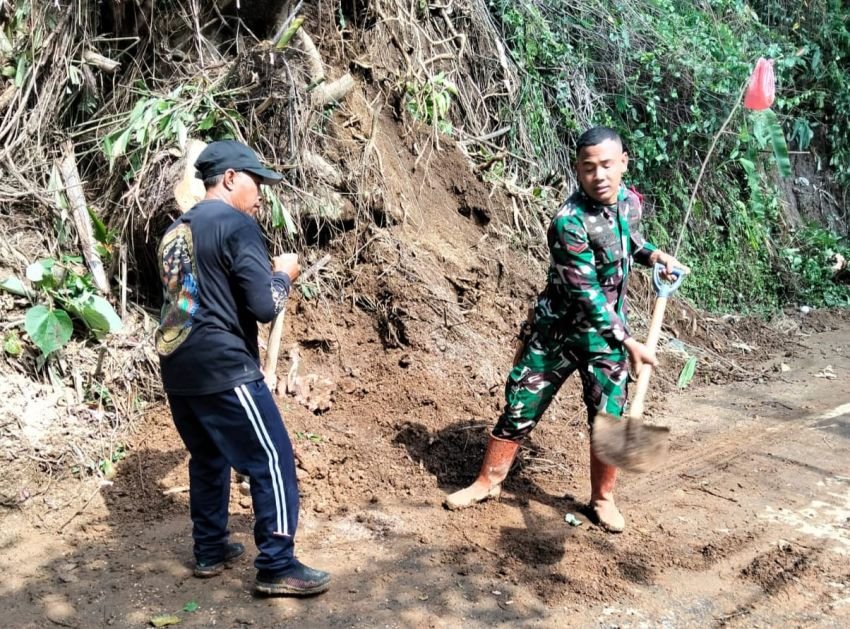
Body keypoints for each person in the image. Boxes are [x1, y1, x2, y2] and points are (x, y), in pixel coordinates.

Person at [444, 126, 689, 532]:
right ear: (577, 170)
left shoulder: (628, 203)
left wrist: (655, 256)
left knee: (608, 419)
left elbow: (630, 242)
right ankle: (487, 482)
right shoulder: (568, 223)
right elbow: (585, 292)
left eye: (608, 165)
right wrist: (628, 341)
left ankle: (603, 498)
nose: (600, 176)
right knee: (520, 406)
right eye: (589, 168)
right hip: (556, 333)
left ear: (623, 163)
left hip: (606, 340)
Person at [155, 140, 330, 595]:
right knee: (271, 459)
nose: (261, 196)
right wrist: (284, 275)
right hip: (223, 365)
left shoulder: (177, 229)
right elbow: (263, 305)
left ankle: (210, 549)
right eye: (257, 184)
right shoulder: (236, 225)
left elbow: (194, 300)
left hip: (177, 365)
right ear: (230, 178)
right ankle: (277, 566)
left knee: (209, 456)